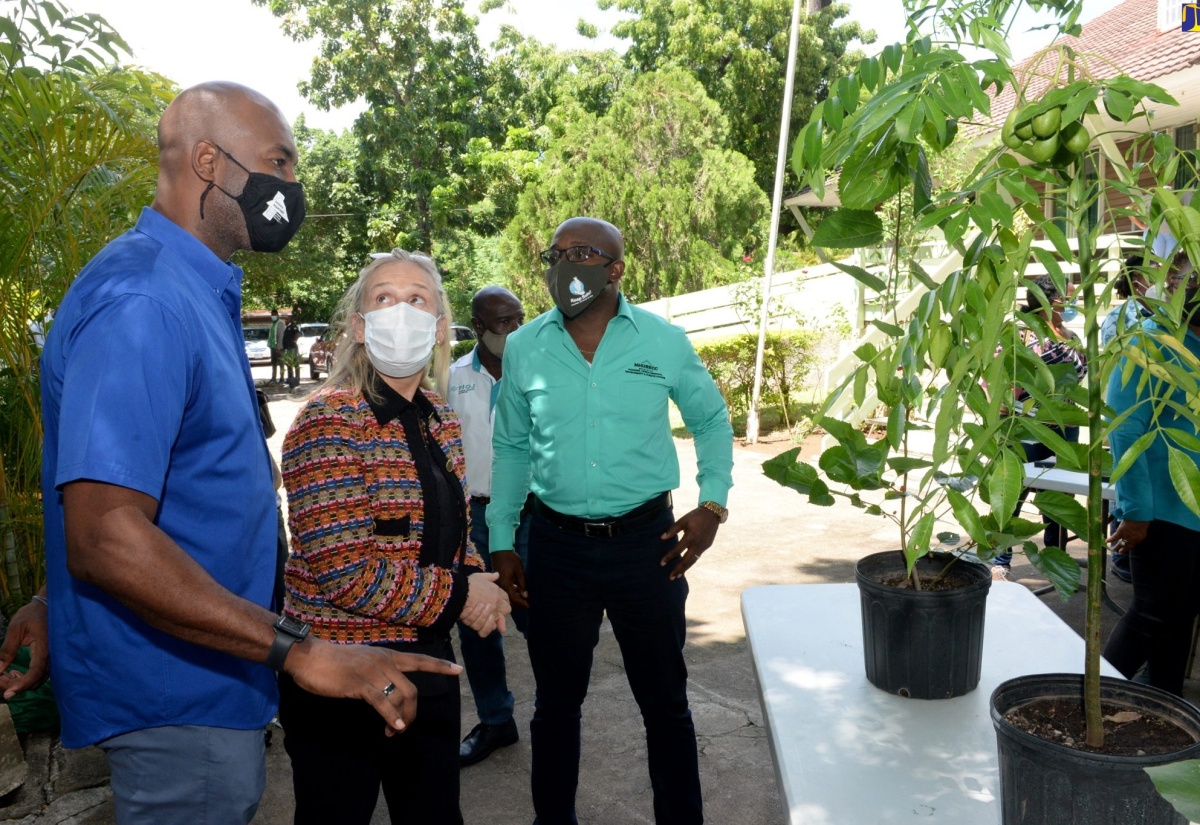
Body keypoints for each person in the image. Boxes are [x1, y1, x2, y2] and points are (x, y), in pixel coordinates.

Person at [35, 82, 461, 825]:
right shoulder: (145, 301)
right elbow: (105, 533)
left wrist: (49, 600)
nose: (293, 188)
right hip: (177, 688)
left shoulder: (192, 292)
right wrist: (298, 650)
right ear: (209, 161)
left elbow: (131, 481)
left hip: (213, 671)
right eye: (281, 163)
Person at [489, 217, 734, 824]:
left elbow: (711, 421)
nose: (564, 264)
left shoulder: (662, 340)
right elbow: (512, 448)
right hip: (554, 546)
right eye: (556, 254)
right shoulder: (525, 347)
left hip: (646, 547)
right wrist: (501, 540)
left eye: (582, 253)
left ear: (616, 269)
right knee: (556, 705)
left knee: (665, 704)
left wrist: (712, 505)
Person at [279, 250, 511, 825]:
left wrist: (478, 577)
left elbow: (454, 528)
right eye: (383, 298)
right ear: (359, 326)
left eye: (417, 299)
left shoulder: (438, 416)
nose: (399, 311)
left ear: (438, 328)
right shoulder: (328, 418)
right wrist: (463, 595)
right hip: (340, 671)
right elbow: (344, 570)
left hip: (428, 665)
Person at [1102, 285, 1200, 697]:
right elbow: (1125, 429)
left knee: (1178, 617)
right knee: (1151, 615)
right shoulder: (1150, 343)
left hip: (1190, 512)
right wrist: (1137, 510)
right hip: (1161, 511)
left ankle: (1166, 709)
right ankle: (1088, 703)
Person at [447, 285, 531, 767]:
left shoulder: (540, 371)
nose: (514, 330)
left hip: (533, 516)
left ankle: (555, 715)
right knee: (480, 626)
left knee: (540, 617)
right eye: (503, 322)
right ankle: (497, 720)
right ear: (478, 327)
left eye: (519, 319)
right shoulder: (452, 377)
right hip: (474, 516)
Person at [991, 275, 1088, 581]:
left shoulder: (1071, 334)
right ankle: (1000, 559)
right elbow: (1000, 377)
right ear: (1047, 300)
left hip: (1065, 424)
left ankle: (1056, 555)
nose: (1070, 304)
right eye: (1065, 298)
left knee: (1059, 494)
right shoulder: (1021, 335)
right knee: (1013, 490)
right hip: (1025, 425)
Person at [282, 313, 301, 387]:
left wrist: (294, 340)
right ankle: (290, 378)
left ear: (291, 319)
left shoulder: (293, 326)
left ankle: (297, 379)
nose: (285, 320)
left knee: (295, 363)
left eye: (287, 319)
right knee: (289, 363)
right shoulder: (287, 327)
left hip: (292, 347)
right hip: (288, 347)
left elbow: (298, 334)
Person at [268, 307, 286, 383]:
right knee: (273, 363)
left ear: (277, 315)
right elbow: (271, 335)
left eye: (275, 314)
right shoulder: (272, 324)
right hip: (272, 347)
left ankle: (282, 378)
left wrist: (278, 347)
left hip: (279, 347)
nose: (273, 316)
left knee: (281, 363)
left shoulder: (280, 323)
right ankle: (273, 378)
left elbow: (281, 336)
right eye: (272, 314)